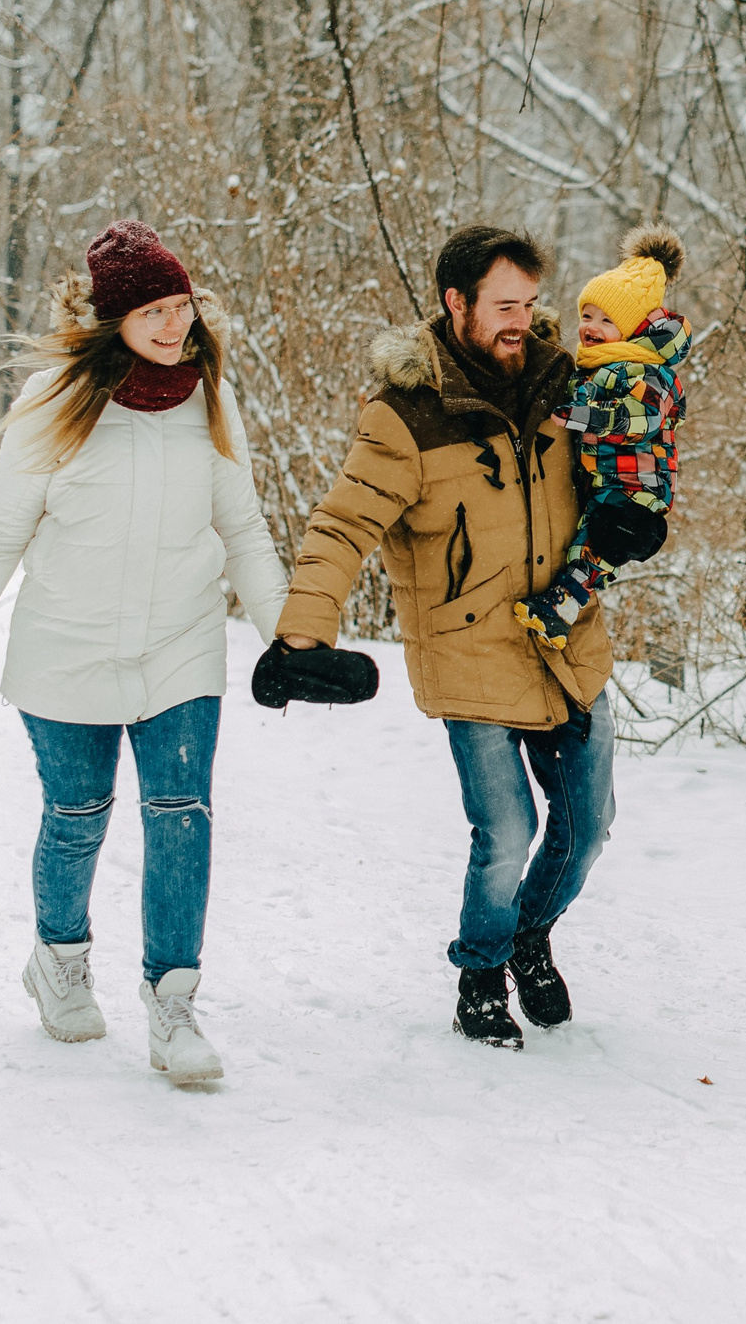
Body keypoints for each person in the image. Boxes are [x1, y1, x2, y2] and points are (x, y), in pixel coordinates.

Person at [0, 220, 286, 1086]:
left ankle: (173, 1002)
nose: (173, 325)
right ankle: (59, 961)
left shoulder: (210, 396)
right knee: (77, 813)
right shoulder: (54, 398)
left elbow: (241, 526)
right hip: (68, 643)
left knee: (181, 813)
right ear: (114, 318)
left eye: (180, 306)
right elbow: (4, 527)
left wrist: (288, 635)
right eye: (153, 311)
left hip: (179, 642)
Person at [269, 224, 615, 1049]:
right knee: (506, 834)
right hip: (470, 652)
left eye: (530, 304)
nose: (522, 322)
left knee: (588, 825)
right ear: (456, 303)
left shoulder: (562, 384)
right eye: (504, 306)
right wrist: (304, 635)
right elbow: (343, 524)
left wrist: (647, 465)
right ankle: (481, 974)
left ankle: (529, 935)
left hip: (566, 642)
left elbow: (635, 446)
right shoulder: (405, 416)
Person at [514, 226, 691, 648]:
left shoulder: (653, 373)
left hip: (637, 487)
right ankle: (559, 614)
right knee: (586, 547)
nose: (591, 327)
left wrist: (582, 416)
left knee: (599, 544)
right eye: (587, 316)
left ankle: (559, 605)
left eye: (607, 320)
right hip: (606, 481)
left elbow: (640, 419)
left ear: (631, 329)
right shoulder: (596, 366)